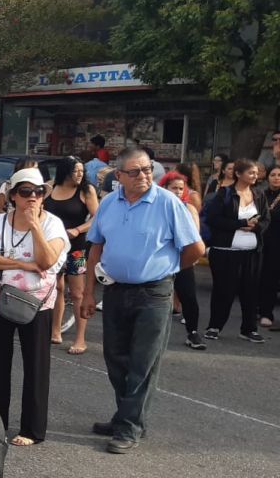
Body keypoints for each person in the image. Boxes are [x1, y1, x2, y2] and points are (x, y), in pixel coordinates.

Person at [80, 148, 204, 454]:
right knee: (115, 358)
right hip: (115, 290)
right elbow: (95, 249)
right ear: (119, 175)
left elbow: (195, 249)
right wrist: (88, 293)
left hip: (154, 293)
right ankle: (127, 415)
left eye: (147, 169)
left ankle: (129, 427)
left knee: (142, 363)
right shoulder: (110, 203)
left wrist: (167, 270)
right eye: (134, 171)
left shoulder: (168, 203)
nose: (143, 176)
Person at [0, 168, 68, 447]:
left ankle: (32, 428)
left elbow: (46, 261)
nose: (33, 198)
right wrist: (21, 264)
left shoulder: (53, 224)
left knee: (36, 365)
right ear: (13, 195)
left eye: (38, 192)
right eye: (26, 192)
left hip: (36, 303)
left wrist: (35, 227)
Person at [202, 159, 271, 344]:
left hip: (252, 252)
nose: (255, 176)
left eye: (256, 173)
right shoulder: (224, 193)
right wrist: (240, 224)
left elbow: (266, 219)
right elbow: (214, 219)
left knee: (250, 291)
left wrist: (256, 227)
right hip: (226, 251)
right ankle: (214, 326)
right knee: (223, 290)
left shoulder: (259, 194)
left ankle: (249, 329)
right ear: (239, 174)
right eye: (251, 172)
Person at [43, 156, 98, 354]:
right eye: (76, 171)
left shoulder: (86, 190)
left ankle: (80, 339)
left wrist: (78, 229)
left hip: (76, 248)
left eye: (82, 171)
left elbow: (97, 217)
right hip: (52, 246)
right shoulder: (50, 187)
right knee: (56, 287)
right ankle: (55, 331)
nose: (80, 174)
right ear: (65, 171)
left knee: (77, 293)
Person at [159, 172, 206, 349]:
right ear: (164, 188)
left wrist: (192, 255)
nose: (178, 191)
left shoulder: (189, 208)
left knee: (189, 296)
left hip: (182, 259)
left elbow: (195, 237)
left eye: (181, 188)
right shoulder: (156, 207)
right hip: (160, 260)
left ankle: (193, 333)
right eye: (174, 188)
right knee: (157, 297)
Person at [258, 164, 280, 329]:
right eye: (273, 175)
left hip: (277, 243)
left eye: (279, 175)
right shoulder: (261, 195)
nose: (276, 178)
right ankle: (262, 310)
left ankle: (266, 312)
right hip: (263, 242)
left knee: (272, 279)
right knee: (262, 278)